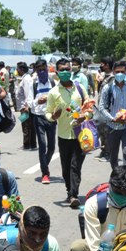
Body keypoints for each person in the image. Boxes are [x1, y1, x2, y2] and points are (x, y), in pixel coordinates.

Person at [46, 59, 90, 208]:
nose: (65, 72)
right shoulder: (53, 93)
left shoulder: (80, 88)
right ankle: (69, 191)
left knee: (75, 166)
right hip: (64, 135)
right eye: (62, 70)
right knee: (66, 168)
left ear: (71, 70)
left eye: (67, 69)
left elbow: (89, 106)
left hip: (80, 134)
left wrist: (86, 115)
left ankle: (73, 195)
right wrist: (54, 116)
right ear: (57, 72)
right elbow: (47, 113)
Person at [97, 59, 126, 170]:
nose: (120, 74)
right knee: (113, 157)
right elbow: (101, 107)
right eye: (117, 72)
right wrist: (112, 119)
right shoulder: (107, 88)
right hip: (112, 128)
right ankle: (116, 178)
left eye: (122, 72)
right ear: (113, 72)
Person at [31, 59, 56, 184]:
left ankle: (45, 163)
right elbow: (30, 102)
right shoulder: (33, 84)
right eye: (39, 69)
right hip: (39, 116)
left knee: (51, 146)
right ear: (36, 70)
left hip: (51, 117)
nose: (42, 71)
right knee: (42, 144)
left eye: (43, 69)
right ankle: (44, 173)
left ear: (47, 68)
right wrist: (37, 101)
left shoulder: (53, 82)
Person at [16, 61, 36, 150]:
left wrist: (27, 106)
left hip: (25, 107)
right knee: (27, 125)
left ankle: (27, 144)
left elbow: (28, 93)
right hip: (23, 107)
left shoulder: (27, 79)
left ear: (22, 69)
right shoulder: (24, 78)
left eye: (18, 69)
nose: (17, 70)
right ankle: (31, 144)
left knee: (26, 126)